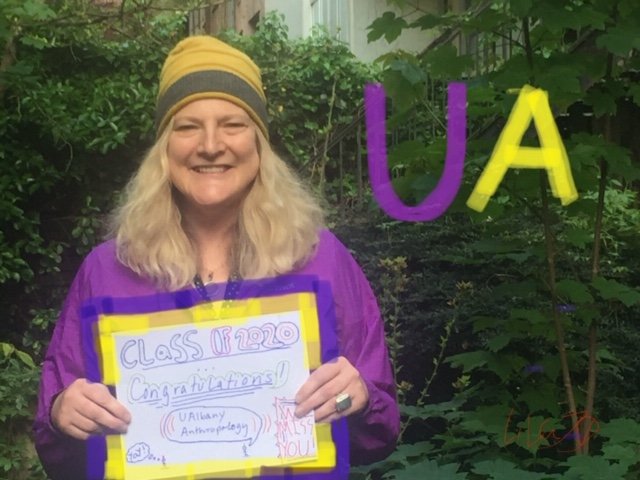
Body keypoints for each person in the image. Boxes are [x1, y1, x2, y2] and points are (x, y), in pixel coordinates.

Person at [34, 35, 399, 479]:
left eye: (233, 124)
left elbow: (380, 432)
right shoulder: (108, 271)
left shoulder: (320, 259)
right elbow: (61, 455)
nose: (210, 145)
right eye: (187, 126)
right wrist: (63, 415)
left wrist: (358, 398)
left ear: (259, 143)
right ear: (164, 148)